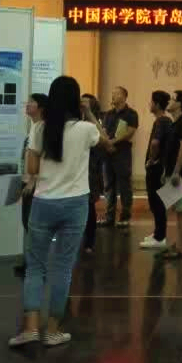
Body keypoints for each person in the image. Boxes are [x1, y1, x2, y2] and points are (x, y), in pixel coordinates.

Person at [10, 76, 111, 348]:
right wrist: (90, 113)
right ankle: (53, 330)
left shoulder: (39, 128)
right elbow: (106, 142)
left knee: (35, 268)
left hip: (43, 202)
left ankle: (31, 328)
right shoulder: (85, 129)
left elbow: (32, 169)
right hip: (75, 204)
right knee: (63, 269)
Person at [157, 90, 182, 261]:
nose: (169, 101)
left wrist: (176, 172)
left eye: (172, 99)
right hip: (174, 173)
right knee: (179, 211)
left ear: (180, 104)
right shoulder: (176, 122)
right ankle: (180, 245)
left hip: (180, 175)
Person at [16, 92, 49, 277]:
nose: (27, 104)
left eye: (31, 102)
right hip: (27, 181)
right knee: (27, 223)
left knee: (33, 225)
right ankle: (30, 262)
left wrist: (33, 180)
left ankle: (37, 265)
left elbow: (42, 159)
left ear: (41, 107)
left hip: (34, 184)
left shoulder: (43, 128)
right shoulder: (34, 127)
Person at [141, 90, 175, 250]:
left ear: (157, 104)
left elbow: (155, 143)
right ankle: (158, 233)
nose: (149, 104)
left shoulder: (161, 121)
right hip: (161, 168)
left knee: (156, 202)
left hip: (156, 169)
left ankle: (160, 237)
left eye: (151, 101)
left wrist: (151, 160)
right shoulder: (166, 121)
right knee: (157, 202)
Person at [102, 86, 139, 228]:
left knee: (124, 186)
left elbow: (130, 132)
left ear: (124, 96)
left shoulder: (131, 114)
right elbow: (103, 131)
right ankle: (109, 217)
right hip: (108, 153)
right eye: (112, 93)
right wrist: (107, 143)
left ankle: (125, 217)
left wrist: (113, 142)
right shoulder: (108, 114)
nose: (113, 96)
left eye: (116, 93)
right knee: (108, 186)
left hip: (122, 153)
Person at [80, 94, 104, 253]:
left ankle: (89, 242)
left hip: (91, 171)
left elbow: (103, 142)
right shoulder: (80, 124)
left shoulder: (94, 126)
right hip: (83, 171)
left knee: (89, 206)